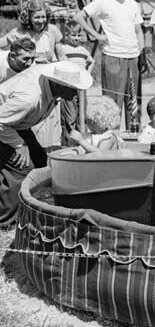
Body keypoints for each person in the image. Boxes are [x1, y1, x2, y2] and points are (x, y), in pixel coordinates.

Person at [0, 62, 93, 224]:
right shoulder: (29, 98)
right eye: (73, 88)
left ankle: (26, 206)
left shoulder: (48, 84)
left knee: (40, 161)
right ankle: (6, 221)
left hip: (15, 125)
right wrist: (19, 145)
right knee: (22, 166)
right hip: (5, 125)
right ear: (58, 85)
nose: (77, 94)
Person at [73, 0, 144, 112]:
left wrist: (141, 52)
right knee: (112, 103)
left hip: (133, 57)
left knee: (134, 102)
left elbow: (138, 31)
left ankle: (132, 133)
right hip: (113, 56)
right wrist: (96, 35)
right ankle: (112, 133)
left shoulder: (132, 4)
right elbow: (78, 17)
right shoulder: (103, 2)